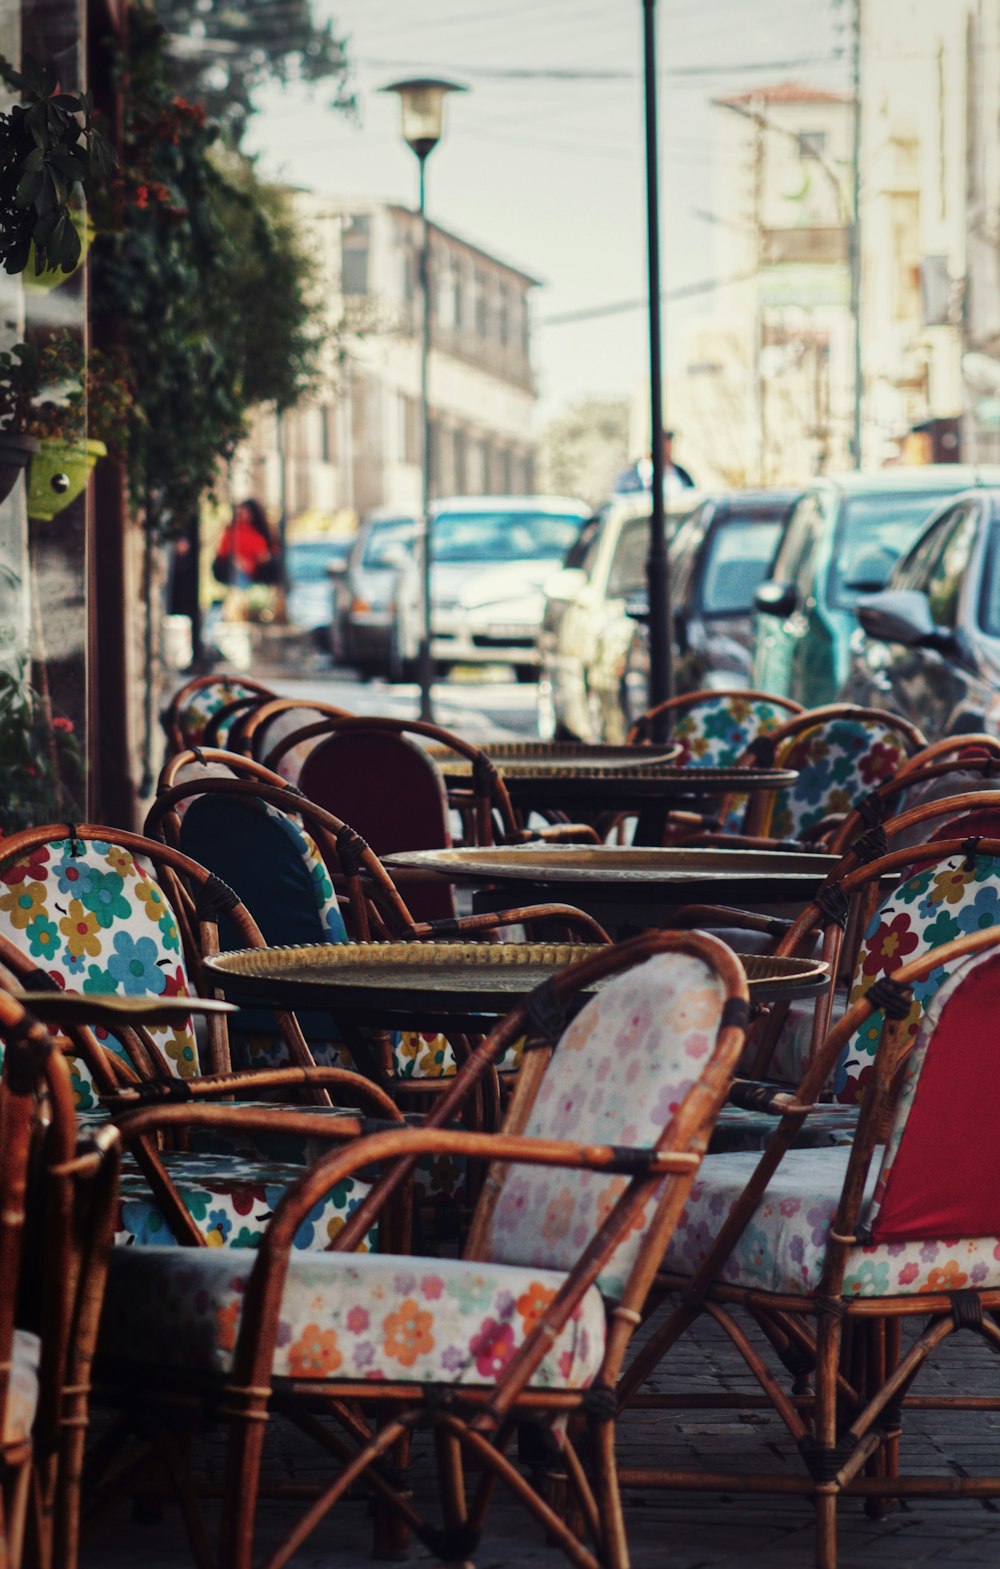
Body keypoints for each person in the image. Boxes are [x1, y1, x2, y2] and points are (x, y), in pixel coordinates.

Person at [212, 499, 279, 589]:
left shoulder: (258, 535)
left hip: (254, 575)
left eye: (244, 512)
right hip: (237, 572)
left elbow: (265, 554)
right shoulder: (231, 533)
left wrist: (264, 558)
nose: (240, 515)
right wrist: (238, 561)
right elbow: (222, 553)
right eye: (239, 512)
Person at [613, 428, 695, 494]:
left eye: (669, 447)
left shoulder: (681, 474)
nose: (667, 451)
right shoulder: (631, 477)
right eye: (663, 447)